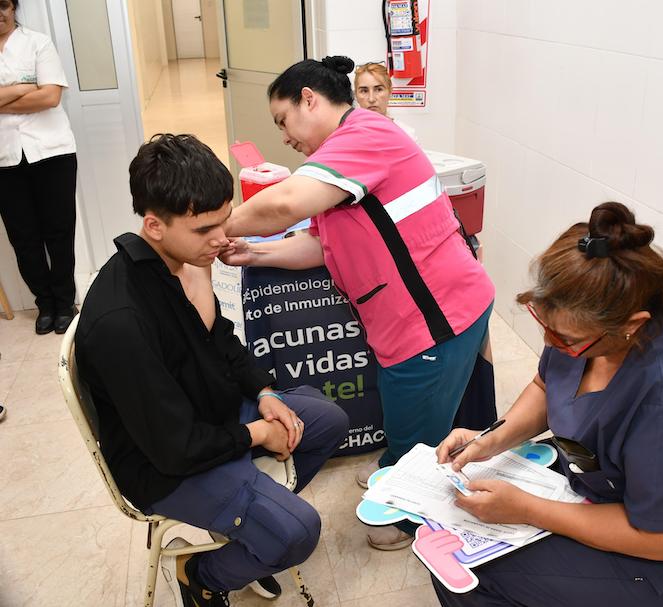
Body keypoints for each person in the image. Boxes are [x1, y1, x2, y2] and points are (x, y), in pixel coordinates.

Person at [221, 55, 495, 550]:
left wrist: (212, 227)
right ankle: (399, 470)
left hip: (435, 321)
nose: (284, 136)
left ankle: (411, 516)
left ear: (309, 99)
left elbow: (283, 204)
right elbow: (319, 245)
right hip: (409, 320)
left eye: (283, 120)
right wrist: (253, 252)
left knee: (416, 432)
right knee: (405, 414)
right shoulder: (339, 158)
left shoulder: (365, 135)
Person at [434, 202, 663, 607]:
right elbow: (546, 385)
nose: (550, 343)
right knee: (448, 535)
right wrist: (490, 440)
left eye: (565, 340)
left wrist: (528, 509)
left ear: (632, 326)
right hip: (598, 479)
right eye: (544, 325)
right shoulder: (592, 312)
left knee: (467, 574)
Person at [75, 134, 349, 607]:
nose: (222, 239)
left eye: (224, 220)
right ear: (154, 225)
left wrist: (264, 392)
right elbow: (174, 449)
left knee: (326, 421)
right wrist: (258, 434)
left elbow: (220, 339)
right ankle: (200, 574)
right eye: (205, 229)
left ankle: (251, 529)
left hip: (209, 415)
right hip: (165, 465)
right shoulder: (121, 320)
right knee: (299, 531)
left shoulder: (185, 262)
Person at [0, 0, 78, 335]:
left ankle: (65, 302)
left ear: (13, 7)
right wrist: (24, 88)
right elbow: (39, 93)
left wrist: (5, 97)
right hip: (4, 160)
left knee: (59, 232)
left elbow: (50, 98)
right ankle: (44, 304)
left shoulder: (38, 43)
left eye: (3, 5)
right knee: (24, 238)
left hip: (52, 153)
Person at [353, 61, 417, 141]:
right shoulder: (347, 135)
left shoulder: (407, 134)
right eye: (364, 91)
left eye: (379, 89)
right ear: (356, 95)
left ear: (390, 91)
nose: (371, 99)